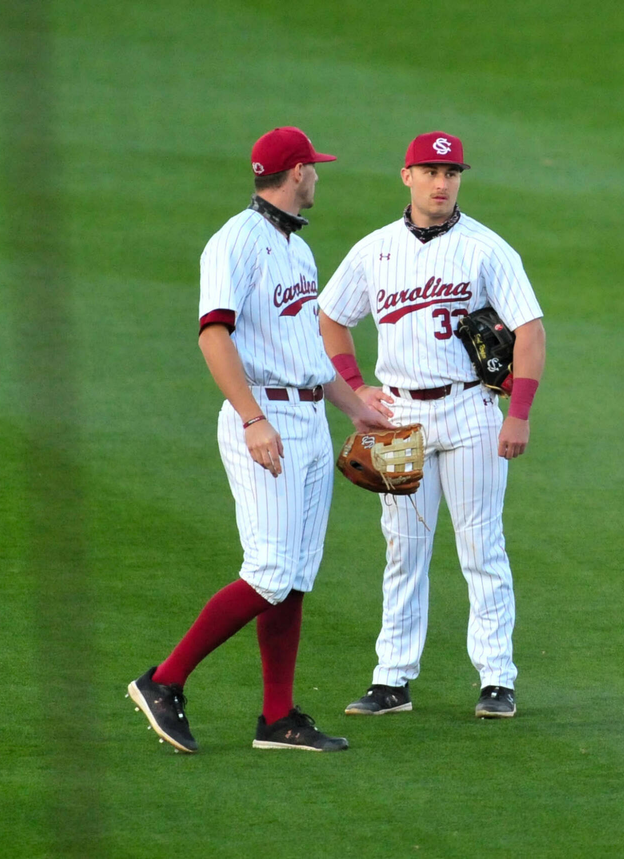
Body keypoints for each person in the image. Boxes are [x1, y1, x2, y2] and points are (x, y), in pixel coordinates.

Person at [126, 126, 391, 753]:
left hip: (307, 421)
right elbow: (213, 335)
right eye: (315, 167)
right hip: (263, 418)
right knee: (269, 570)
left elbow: (307, 352)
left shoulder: (298, 250)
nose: (319, 176)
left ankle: (278, 719)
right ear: (296, 172)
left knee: (295, 574)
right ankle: (163, 682)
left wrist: (357, 409)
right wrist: (251, 419)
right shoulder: (234, 242)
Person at [318, 131, 546, 719]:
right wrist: (356, 384)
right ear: (407, 176)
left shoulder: (487, 248)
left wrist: (517, 413)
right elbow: (331, 316)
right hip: (398, 415)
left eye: (451, 173)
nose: (441, 183)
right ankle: (392, 679)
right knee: (404, 550)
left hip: (471, 410)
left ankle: (497, 679)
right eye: (429, 171)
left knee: (481, 546)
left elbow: (531, 331)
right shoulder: (375, 250)